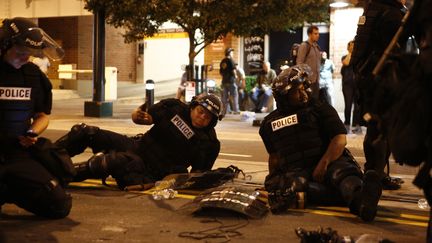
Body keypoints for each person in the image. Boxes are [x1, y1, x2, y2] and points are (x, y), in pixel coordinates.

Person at [259, 64, 382, 222]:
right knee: (296, 186)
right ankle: (357, 196)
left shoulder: (319, 108)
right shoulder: (268, 124)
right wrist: (273, 183)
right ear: (285, 95)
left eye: (304, 87)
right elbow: (274, 158)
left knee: (341, 173)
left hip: (326, 163)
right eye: (298, 90)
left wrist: (324, 163)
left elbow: (339, 139)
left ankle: (362, 203)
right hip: (298, 173)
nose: (304, 93)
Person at [55, 94, 222, 190]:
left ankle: (58, 176)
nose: (202, 117)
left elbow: (195, 178)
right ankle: (48, 158)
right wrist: (137, 116)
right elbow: (145, 119)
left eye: (207, 117)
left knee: (106, 162)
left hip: (150, 171)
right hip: (137, 146)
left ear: (212, 122)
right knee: (85, 131)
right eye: (200, 111)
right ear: (193, 107)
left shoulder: (209, 143)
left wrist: (162, 183)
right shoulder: (174, 107)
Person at [0, 17, 71, 218]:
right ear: (5, 46)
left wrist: (33, 132)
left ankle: (9, 190)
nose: (25, 58)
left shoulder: (33, 76)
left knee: (59, 205)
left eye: (29, 54)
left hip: (17, 153)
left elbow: (42, 116)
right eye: (21, 53)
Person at [351, 0, 407, 190]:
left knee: (376, 128)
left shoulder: (372, 9)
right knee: (383, 130)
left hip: (367, 77)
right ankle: (374, 177)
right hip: (383, 80)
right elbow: (399, 50)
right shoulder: (392, 14)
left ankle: (375, 174)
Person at [341, 40, 362, 134]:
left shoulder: (359, 58)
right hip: (347, 86)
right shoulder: (345, 57)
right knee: (348, 105)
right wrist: (350, 53)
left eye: (354, 46)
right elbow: (346, 63)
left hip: (357, 85)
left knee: (357, 106)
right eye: (351, 46)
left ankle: (355, 125)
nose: (353, 48)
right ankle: (347, 124)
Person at [296, 25, 321, 99]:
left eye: (318, 33)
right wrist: (303, 81)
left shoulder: (317, 47)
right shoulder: (304, 46)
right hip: (308, 81)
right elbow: (299, 63)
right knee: (308, 104)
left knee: (315, 103)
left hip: (316, 81)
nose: (318, 35)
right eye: (315, 34)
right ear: (310, 34)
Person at [219, 47, 239, 115]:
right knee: (234, 96)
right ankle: (236, 110)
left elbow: (221, 72)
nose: (232, 53)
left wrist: (225, 76)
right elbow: (233, 70)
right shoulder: (231, 60)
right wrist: (236, 76)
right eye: (232, 52)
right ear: (230, 53)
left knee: (225, 98)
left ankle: (226, 111)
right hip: (231, 81)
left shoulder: (223, 61)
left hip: (224, 81)